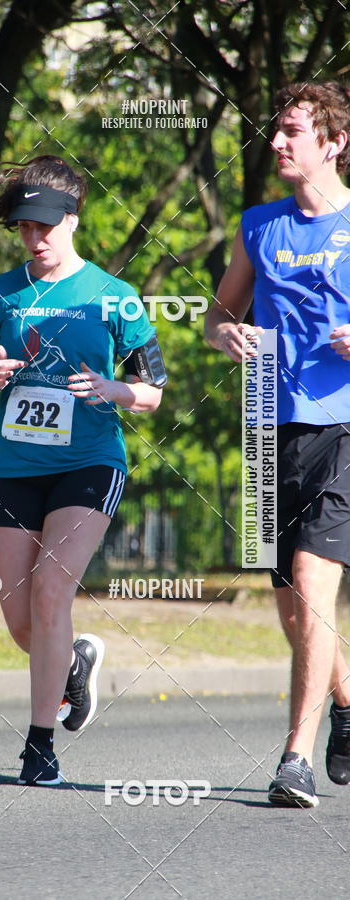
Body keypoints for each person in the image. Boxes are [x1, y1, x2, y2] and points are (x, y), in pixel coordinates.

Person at [0, 155, 164, 785]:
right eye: (23, 226)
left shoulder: (113, 297)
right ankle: (74, 661)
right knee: (21, 617)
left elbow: (152, 389)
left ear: (73, 219)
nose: (35, 237)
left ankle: (39, 747)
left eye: (46, 225)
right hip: (15, 466)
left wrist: (112, 388)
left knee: (52, 594)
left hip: (89, 463)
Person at [205, 82, 350, 808]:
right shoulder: (259, 226)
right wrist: (225, 332)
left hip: (345, 426)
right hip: (268, 424)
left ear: (333, 141)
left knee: (312, 575)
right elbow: (215, 314)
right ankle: (347, 704)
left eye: (292, 131)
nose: (275, 143)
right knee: (292, 604)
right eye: (275, 131)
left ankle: (294, 758)